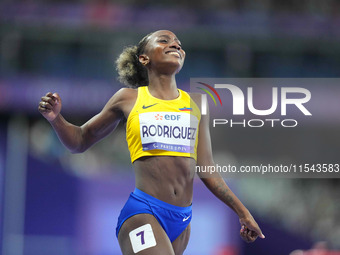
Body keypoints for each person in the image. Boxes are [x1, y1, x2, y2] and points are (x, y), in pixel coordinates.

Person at [38, 30, 265, 255]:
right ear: (144, 58)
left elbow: (207, 168)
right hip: (143, 213)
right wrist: (56, 118)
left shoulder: (197, 103)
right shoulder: (129, 99)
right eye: (164, 41)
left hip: (182, 220)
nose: (175, 45)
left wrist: (242, 211)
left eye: (178, 43)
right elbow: (79, 141)